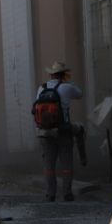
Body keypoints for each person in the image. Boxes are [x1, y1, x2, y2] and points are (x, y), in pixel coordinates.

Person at [35, 61, 85, 201]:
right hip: (63, 130)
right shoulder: (67, 87)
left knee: (49, 164)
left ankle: (50, 194)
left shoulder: (41, 88)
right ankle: (67, 193)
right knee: (66, 163)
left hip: (46, 132)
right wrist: (69, 82)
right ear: (63, 75)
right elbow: (79, 94)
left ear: (51, 74)